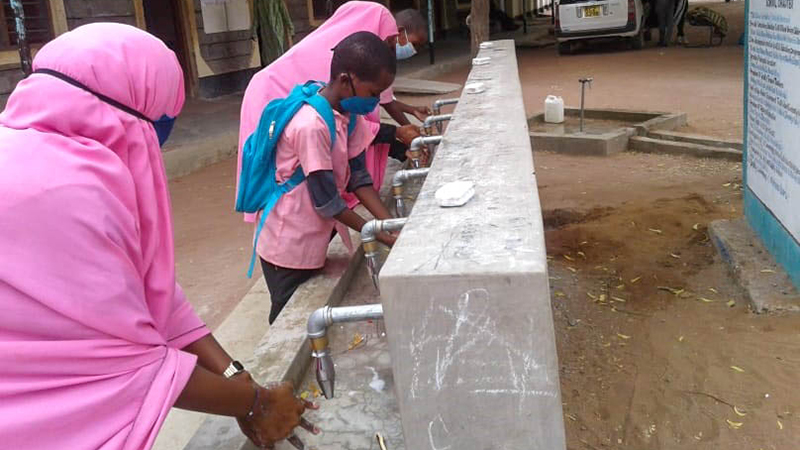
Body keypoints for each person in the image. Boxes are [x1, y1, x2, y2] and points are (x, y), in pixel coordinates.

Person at [0, 23, 315, 450]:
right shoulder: (70, 188)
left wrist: (236, 380)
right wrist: (256, 402)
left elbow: (153, 295)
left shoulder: (34, 151)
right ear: (137, 110)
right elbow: (127, 364)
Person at [239, 1, 430, 219]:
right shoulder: (332, 88)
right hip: (270, 99)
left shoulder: (353, 84)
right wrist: (398, 134)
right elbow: (351, 131)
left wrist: (403, 133)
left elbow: (370, 118)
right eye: (389, 41)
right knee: (289, 185)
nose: (390, 47)